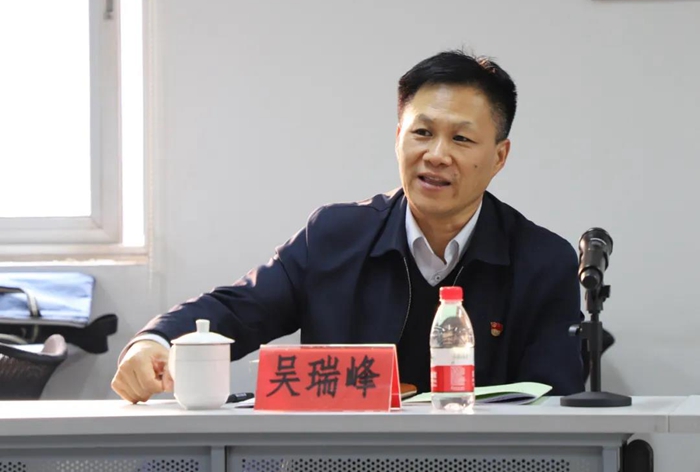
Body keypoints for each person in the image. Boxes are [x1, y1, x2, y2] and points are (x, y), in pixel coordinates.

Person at [111, 50, 584, 403]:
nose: (436, 154)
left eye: (461, 138)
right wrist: (155, 342)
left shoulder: (541, 261)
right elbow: (239, 308)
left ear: (499, 156)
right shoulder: (334, 236)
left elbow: (552, 406)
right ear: (398, 138)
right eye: (422, 132)